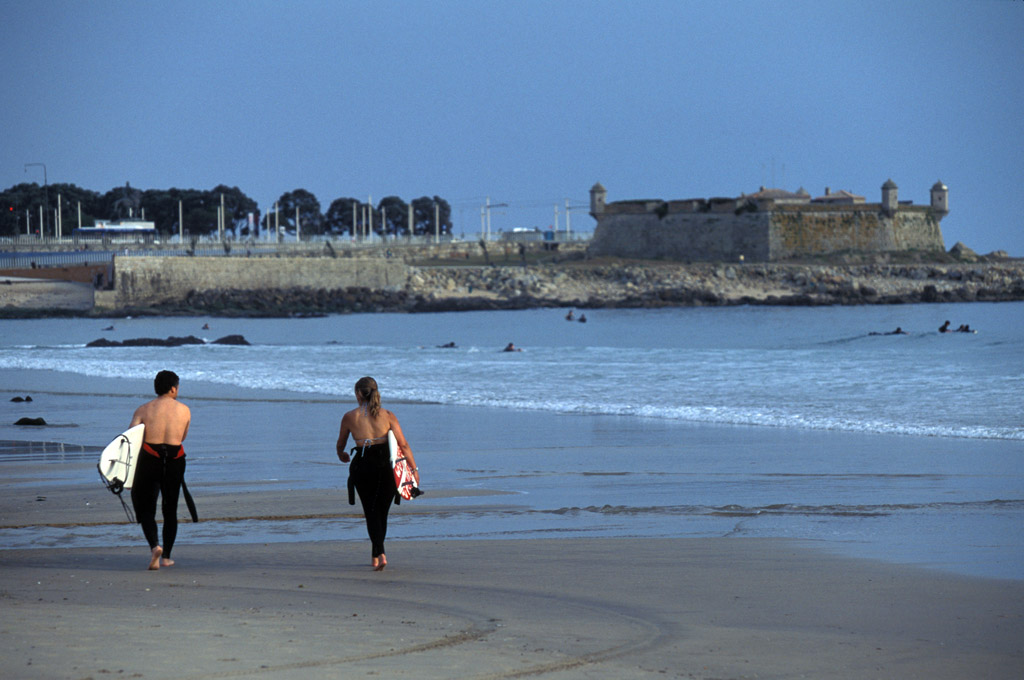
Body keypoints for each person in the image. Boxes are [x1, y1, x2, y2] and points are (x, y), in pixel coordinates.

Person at [336, 377, 419, 571]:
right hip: (387, 466)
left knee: (371, 511)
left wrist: (342, 454)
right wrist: (413, 470)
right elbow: (403, 445)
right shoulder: (388, 415)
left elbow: (340, 444)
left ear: (358, 393)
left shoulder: (349, 417)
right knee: (382, 512)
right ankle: (376, 554)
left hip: (362, 465)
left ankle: (380, 554)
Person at [129, 370, 196, 570]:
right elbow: (182, 437)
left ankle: (154, 547)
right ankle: (166, 557)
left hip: (149, 459)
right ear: (173, 388)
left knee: (146, 508)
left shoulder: (143, 410)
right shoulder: (184, 410)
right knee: (170, 508)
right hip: (175, 460)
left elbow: (131, 440)